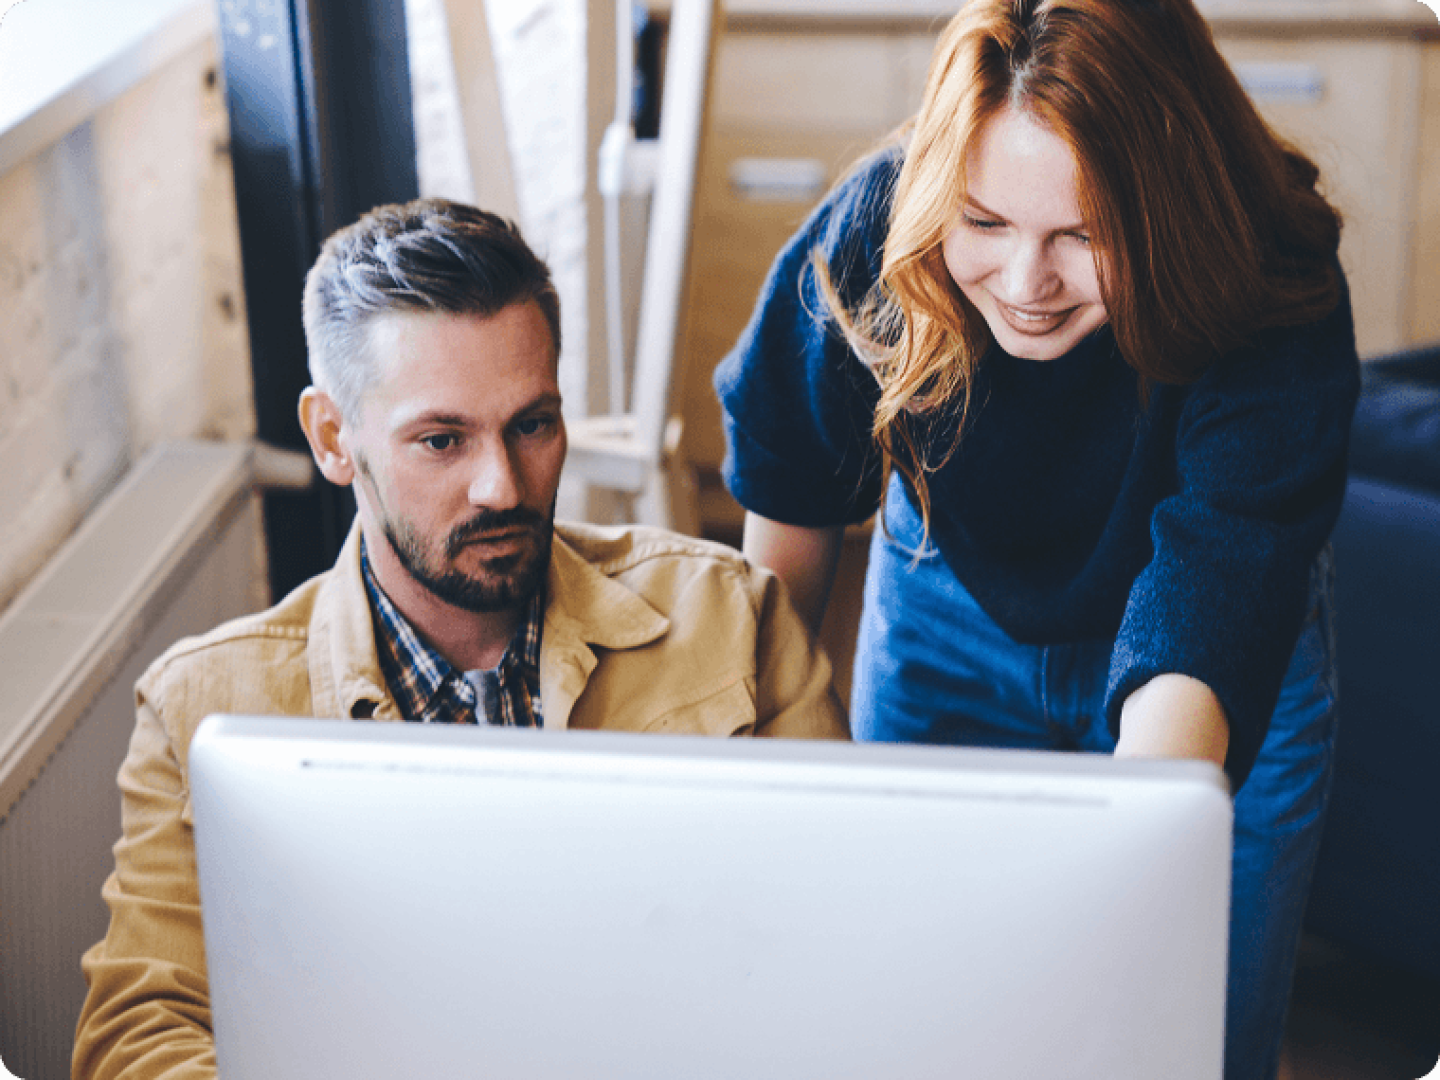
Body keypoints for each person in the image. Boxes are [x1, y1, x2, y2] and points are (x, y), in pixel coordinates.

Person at [714, 2, 1358, 1079]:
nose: (1025, 285)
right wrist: (770, 787)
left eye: (1082, 235)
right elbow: (786, 492)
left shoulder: (1268, 277)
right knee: (922, 1015)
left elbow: (1221, 576)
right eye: (985, 223)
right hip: (943, 615)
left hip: (1212, 644)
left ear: (1167, 212)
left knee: (1190, 1036)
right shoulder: (874, 229)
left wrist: (1131, 887)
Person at [74, 198, 847, 1080]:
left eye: (533, 424)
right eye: (441, 441)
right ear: (334, 438)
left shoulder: (730, 617)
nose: (502, 486)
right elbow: (138, 1039)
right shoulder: (203, 710)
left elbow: (845, 947)